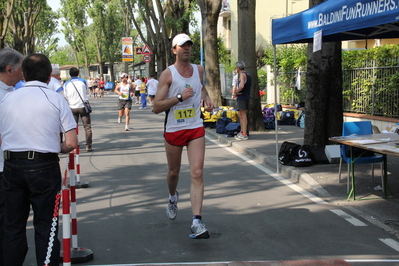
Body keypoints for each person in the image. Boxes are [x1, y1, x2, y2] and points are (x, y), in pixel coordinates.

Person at [0, 53, 78, 266]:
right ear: (48, 76)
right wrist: (54, 146)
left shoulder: (7, 98)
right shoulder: (55, 99)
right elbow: (71, 142)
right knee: (46, 226)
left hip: (10, 166)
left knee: (13, 225)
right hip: (43, 166)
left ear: (23, 74)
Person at [153, 33, 214, 239]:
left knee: (197, 173)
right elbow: (156, 107)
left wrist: (207, 97)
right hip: (174, 129)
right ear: (174, 50)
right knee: (173, 172)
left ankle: (197, 221)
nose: (186, 48)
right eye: (182, 46)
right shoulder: (168, 75)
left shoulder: (199, 69)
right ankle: (172, 197)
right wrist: (179, 97)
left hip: (195, 126)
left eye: (189, 45)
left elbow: (201, 87)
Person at [0, 47, 24, 266]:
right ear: (9, 70)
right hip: (3, 167)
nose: (22, 74)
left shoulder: (9, 93)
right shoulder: (4, 97)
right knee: (7, 221)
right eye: (20, 70)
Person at [64, 67, 93, 152]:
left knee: (72, 127)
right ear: (78, 73)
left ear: (70, 74)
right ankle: (88, 145)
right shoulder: (83, 81)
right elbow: (87, 92)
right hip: (83, 106)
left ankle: (73, 146)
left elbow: (65, 96)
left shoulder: (67, 84)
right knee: (87, 127)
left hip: (72, 107)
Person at [233, 61, 251, 141]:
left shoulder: (242, 75)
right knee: (240, 114)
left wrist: (236, 91)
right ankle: (242, 131)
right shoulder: (248, 75)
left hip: (242, 96)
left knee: (242, 115)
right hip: (245, 96)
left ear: (238, 68)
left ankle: (244, 133)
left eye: (236, 68)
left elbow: (242, 85)